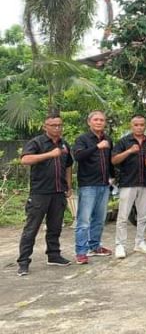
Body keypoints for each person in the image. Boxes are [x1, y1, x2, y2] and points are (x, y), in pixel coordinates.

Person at [16, 114, 74, 276]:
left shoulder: (64, 144)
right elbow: (25, 160)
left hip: (58, 192)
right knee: (31, 228)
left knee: (55, 227)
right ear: (45, 127)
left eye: (60, 125)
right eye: (53, 125)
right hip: (40, 193)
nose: (57, 128)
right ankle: (23, 262)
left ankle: (54, 255)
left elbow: (68, 165)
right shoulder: (37, 142)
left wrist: (69, 185)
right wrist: (49, 154)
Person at [73, 110, 113, 264]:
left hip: (104, 184)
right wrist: (97, 146)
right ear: (89, 122)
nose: (99, 122)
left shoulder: (108, 139)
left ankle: (95, 247)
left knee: (99, 219)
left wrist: (112, 177)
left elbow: (109, 160)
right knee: (83, 221)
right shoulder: (82, 139)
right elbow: (78, 156)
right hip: (88, 185)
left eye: (101, 120)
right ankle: (81, 252)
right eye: (96, 119)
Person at [111, 114, 146, 258]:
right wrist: (129, 151)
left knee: (143, 215)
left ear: (145, 126)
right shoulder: (124, 141)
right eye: (136, 125)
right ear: (131, 126)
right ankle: (120, 245)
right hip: (128, 183)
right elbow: (114, 160)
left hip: (145, 182)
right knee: (123, 216)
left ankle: (139, 242)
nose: (139, 127)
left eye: (142, 125)